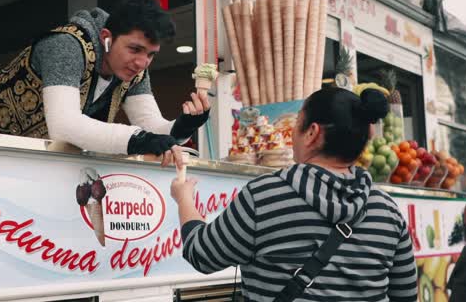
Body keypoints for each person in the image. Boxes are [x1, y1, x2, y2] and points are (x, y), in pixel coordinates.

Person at [170, 87, 417, 301]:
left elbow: (201, 254)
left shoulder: (264, 197)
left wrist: (184, 199)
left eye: (297, 123)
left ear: (312, 133)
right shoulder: (387, 211)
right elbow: (405, 295)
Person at [0, 0, 210, 167]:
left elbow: (150, 126)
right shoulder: (66, 45)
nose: (142, 63)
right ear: (107, 38)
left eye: (151, 54)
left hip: (24, 155)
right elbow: (64, 124)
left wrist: (182, 127)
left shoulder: (135, 69)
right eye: (135, 49)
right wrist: (137, 139)